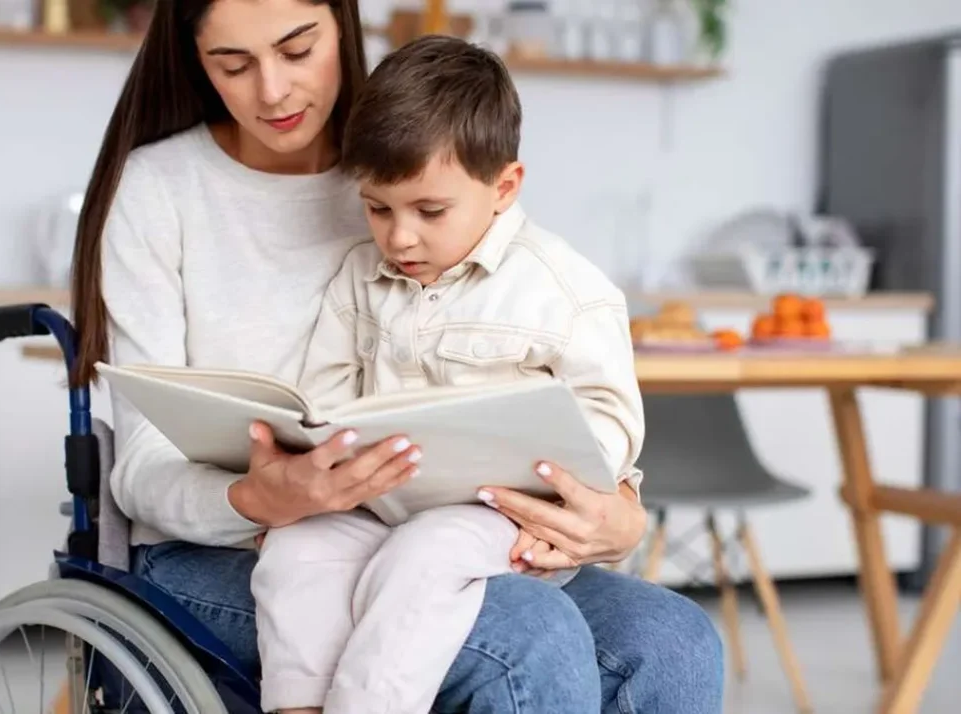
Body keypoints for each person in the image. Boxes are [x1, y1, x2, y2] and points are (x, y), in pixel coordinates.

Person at [68, 0, 725, 712]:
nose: (274, 91)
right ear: (196, 61)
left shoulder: (410, 151)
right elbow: (139, 469)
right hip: (226, 547)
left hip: (429, 521)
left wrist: (617, 510)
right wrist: (258, 499)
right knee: (526, 633)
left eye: (296, 49)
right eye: (234, 64)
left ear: (342, 28)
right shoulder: (162, 191)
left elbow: (542, 368)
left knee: (674, 639)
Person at [252, 35, 648, 714]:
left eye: (429, 212)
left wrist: (570, 478)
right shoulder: (358, 277)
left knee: (426, 554)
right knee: (297, 547)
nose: (399, 237)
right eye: (378, 208)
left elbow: (610, 422)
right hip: (380, 505)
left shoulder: (566, 291)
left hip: (495, 520)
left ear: (504, 188)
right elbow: (322, 395)